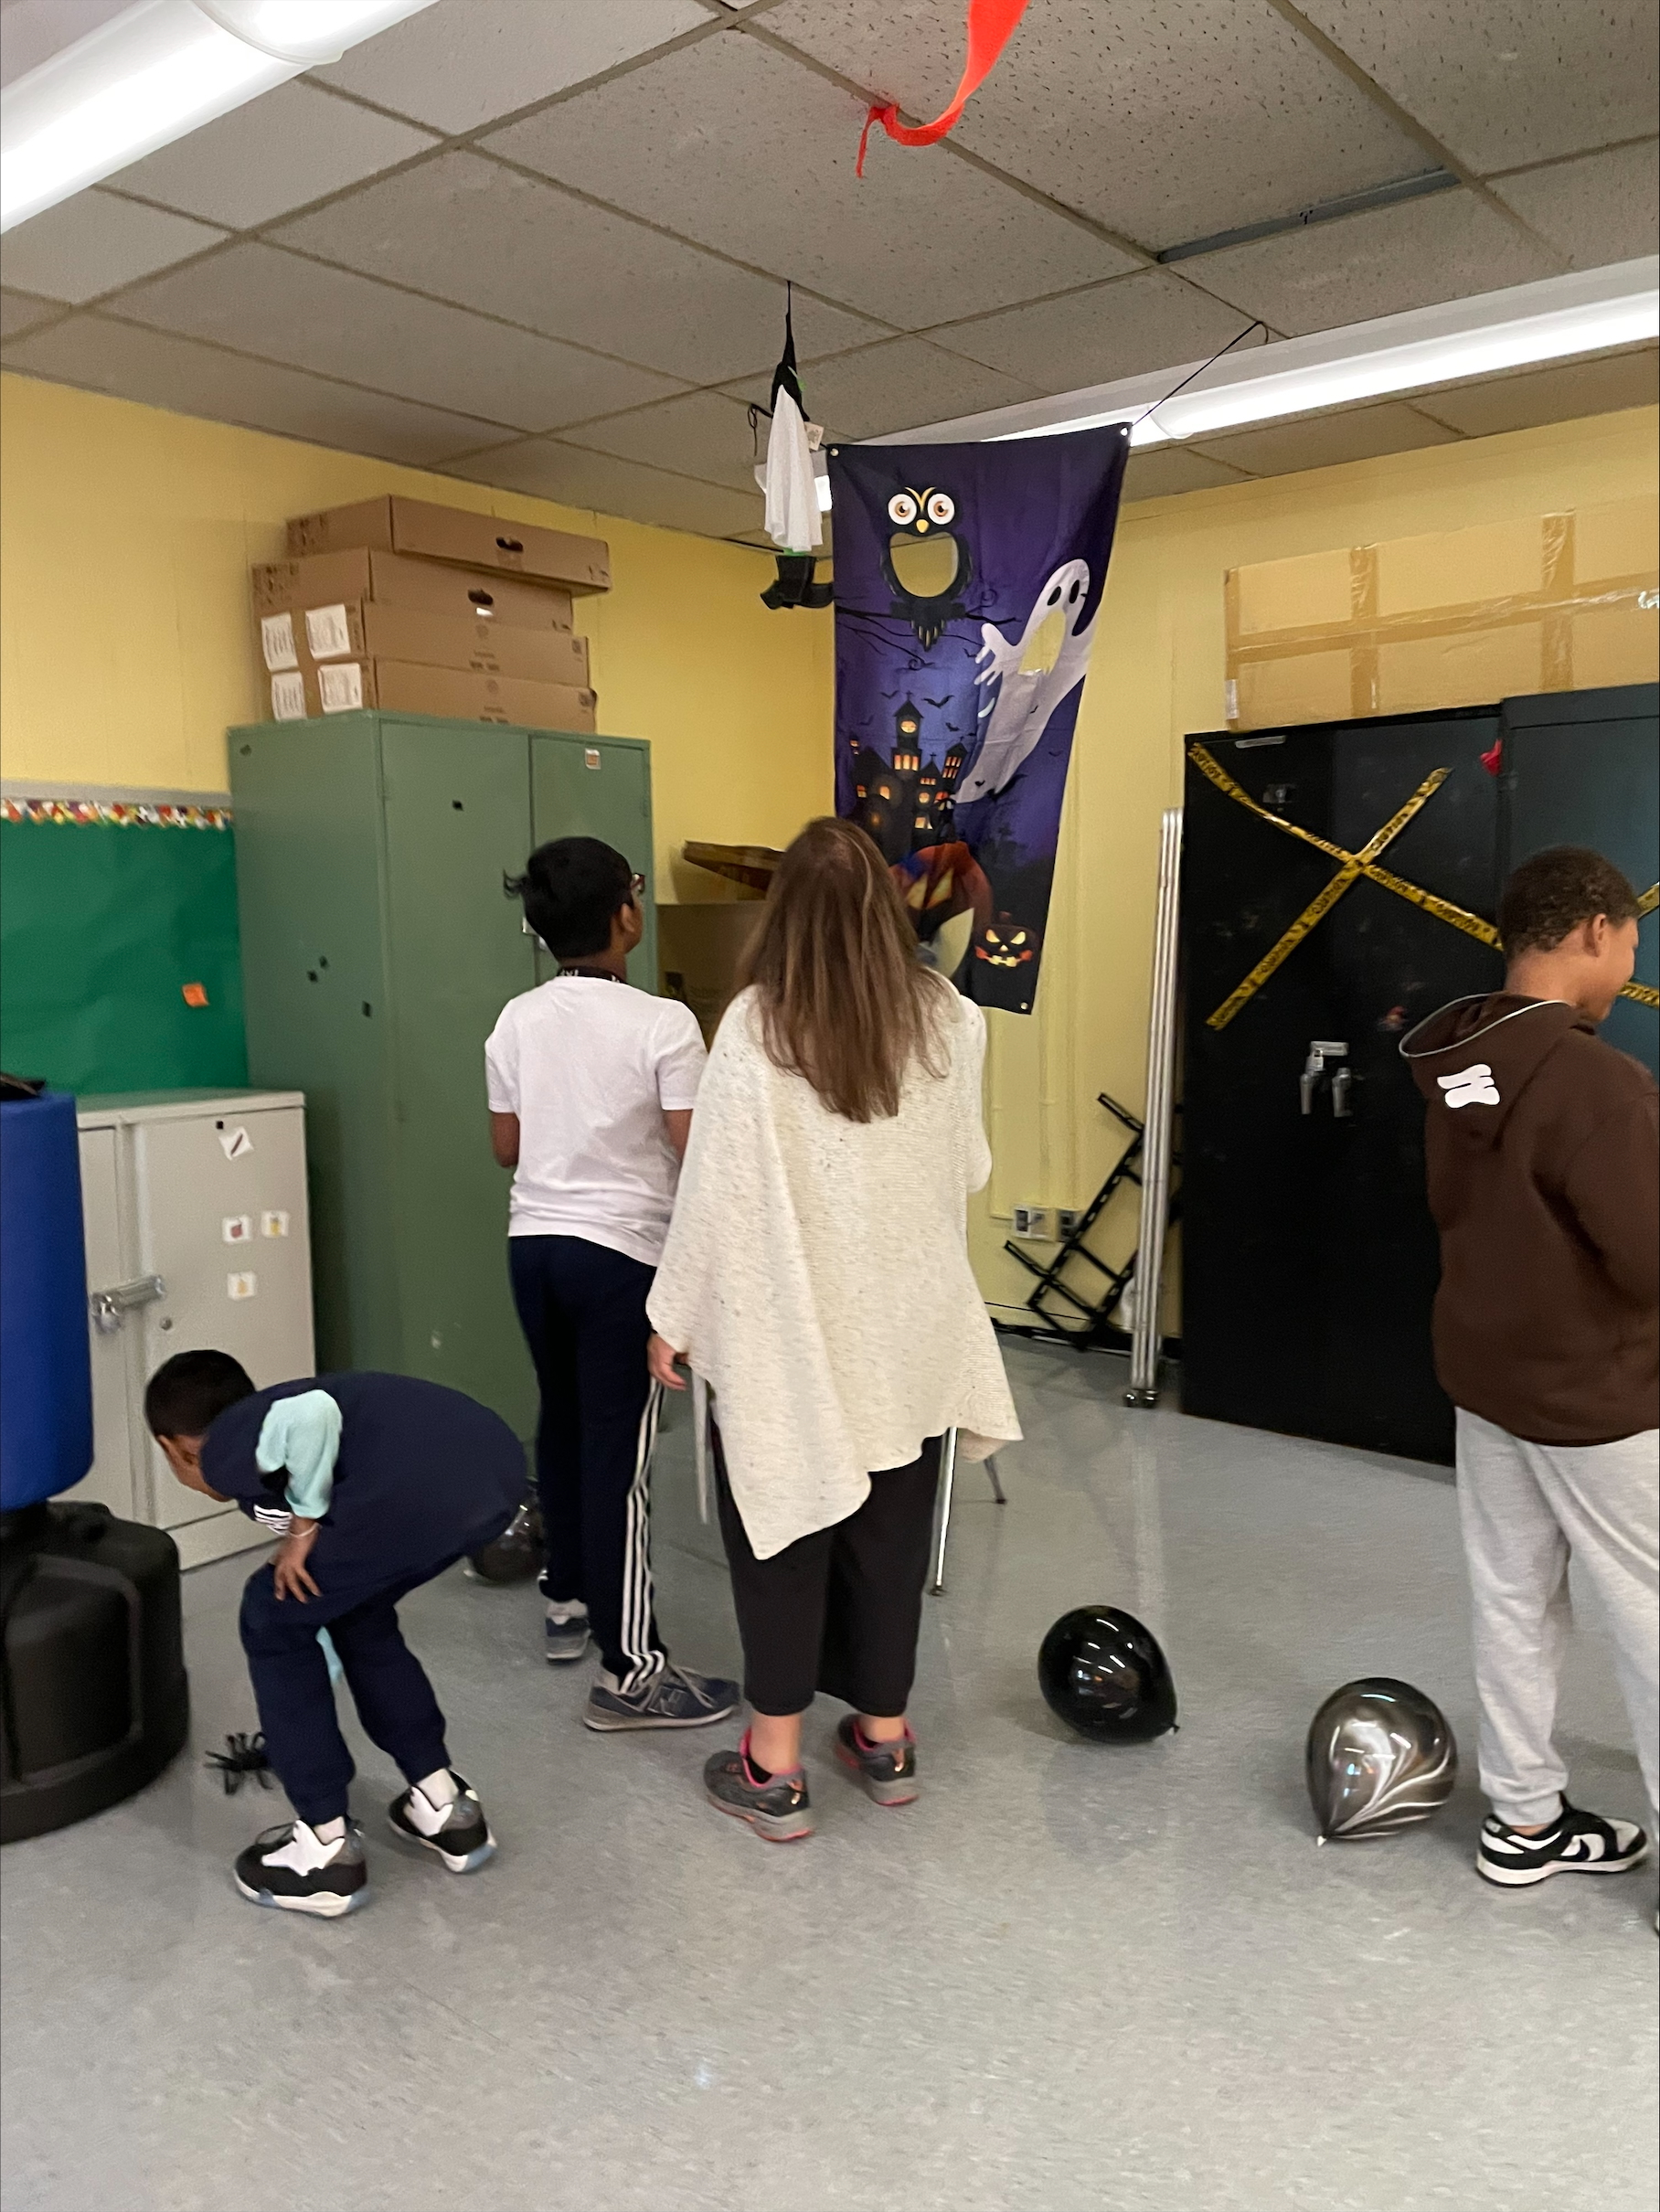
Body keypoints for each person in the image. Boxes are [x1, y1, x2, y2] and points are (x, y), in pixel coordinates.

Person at [646, 817, 1021, 1842]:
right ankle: (885, 1735)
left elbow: (714, 1194)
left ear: (785, 917)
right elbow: (972, 1168)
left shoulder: (757, 1026)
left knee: (782, 1531)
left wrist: (671, 1316)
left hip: (790, 1328)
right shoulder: (951, 1019)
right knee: (889, 1537)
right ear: (883, 908)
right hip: (909, 1327)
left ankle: (772, 1766)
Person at [1401, 845, 1657, 1895]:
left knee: (1512, 1597)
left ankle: (1523, 1818)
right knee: (1650, 1613)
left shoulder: (1457, 1061)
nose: (1632, 955)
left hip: (1488, 1383)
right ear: (1595, 930)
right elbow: (1647, 1256)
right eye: (1633, 937)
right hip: (1597, 1397)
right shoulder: (1599, 1080)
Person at [489, 836, 738, 1731]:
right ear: (624, 915)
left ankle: (565, 1598)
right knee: (619, 1457)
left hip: (534, 1246)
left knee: (560, 1419)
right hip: (620, 1256)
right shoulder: (663, 1021)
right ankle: (633, 1667)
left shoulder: (515, 1018)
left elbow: (506, 1146)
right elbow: (695, 1147)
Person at [145, 1350, 526, 1917]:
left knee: (269, 1615)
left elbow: (313, 1414)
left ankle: (324, 1850)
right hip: (493, 1476)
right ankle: (445, 1807)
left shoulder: (225, 1447)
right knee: (357, 1610)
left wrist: (301, 1529)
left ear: (176, 1447)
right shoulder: (263, 1433)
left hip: (420, 1494)